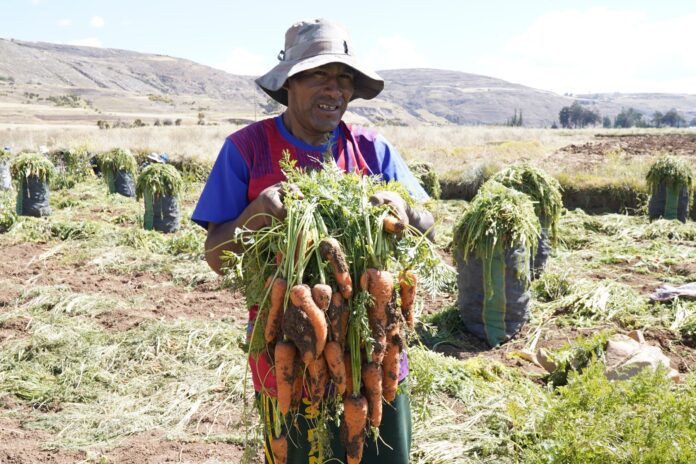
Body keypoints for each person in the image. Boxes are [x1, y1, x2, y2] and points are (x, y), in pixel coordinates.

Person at [192, 18, 435, 464]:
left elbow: (430, 225)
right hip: (287, 357)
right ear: (288, 83)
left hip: (373, 362)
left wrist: (404, 213)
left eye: (344, 78)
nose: (334, 89)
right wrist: (257, 212)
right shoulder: (246, 149)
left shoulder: (372, 149)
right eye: (319, 75)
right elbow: (215, 257)